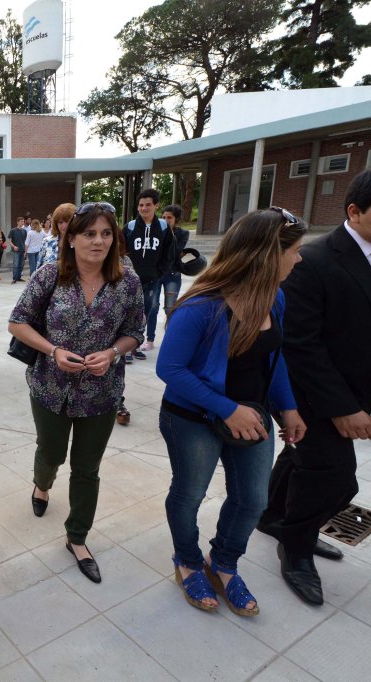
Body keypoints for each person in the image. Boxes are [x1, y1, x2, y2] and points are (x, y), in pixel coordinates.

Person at [158, 208, 307, 616]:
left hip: (252, 416)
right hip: (193, 420)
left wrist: (288, 407)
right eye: (294, 251)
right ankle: (187, 562)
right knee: (190, 494)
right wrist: (227, 409)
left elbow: (272, 360)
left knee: (253, 499)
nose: (299, 259)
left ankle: (222, 563)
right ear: (265, 254)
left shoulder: (275, 298)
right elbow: (169, 368)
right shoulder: (201, 306)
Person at [8, 202, 145, 584]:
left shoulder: (127, 280)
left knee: (87, 468)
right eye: (89, 234)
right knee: (50, 452)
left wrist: (114, 352)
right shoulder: (49, 275)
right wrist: (52, 350)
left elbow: (137, 331)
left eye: (105, 234)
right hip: (50, 388)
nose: (98, 241)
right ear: (71, 238)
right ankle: (42, 484)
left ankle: (78, 537)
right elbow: (17, 323)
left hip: (101, 393)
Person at [259, 170, 371, 606]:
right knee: (337, 479)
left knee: (299, 459)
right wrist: (343, 407)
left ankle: (272, 517)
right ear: (354, 212)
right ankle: (296, 545)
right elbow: (300, 345)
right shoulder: (317, 260)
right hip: (311, 395)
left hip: (354, 387)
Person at [123, 188, 176, 356]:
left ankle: (135, 346)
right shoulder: (130, 227)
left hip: (152, 279)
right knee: (127, 311)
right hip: (131, 280)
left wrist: (160, 271)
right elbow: (121, 250)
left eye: (147, 205)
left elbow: (170, 252)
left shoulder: (163, 227)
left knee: (147, 311)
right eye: (140, 205)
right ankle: (124, 348)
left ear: (156, 206)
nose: (143, 208)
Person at [158, 204, 190, 319]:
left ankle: (171, 332)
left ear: (176, 219)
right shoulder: (156, 232)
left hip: (172, 274)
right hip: (157, 273)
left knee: (169, 308)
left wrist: (169, 233)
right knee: (151, 307)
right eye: (164, 217)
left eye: (169, 217)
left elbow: (175, 251)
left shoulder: (183, 234)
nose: (166, 220)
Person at [39, 203, 75, 269]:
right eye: (60, 222)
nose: (64, 226)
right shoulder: (46, 242)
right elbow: (39, 266)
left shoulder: (80, 242)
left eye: (68, 221)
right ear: (56, 224)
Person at [9, 217, 28, 283]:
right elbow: (10, 241)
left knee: (21, 265)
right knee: (16, 264)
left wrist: (26, 251)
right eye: (21, 221)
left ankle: (19, 277)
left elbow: (26, 242)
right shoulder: (13, 230)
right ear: (17, 222)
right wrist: (14, 246)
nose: (22, 222)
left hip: (22, 250)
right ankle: (14, 278)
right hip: (16, 251)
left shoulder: (24, 231)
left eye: (23, 221)